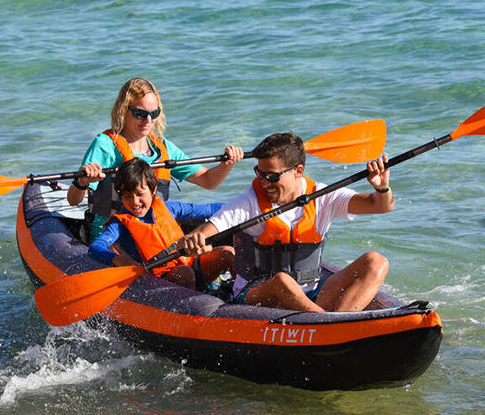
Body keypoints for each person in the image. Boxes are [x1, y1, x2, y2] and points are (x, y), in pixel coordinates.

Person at [179, 131, 393, 313]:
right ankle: (324, 323)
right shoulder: (249, 202)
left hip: (310, 295)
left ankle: (341, 324)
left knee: (376, 261)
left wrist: (381, 187)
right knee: (283, 281)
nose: (264, 183)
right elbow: (204, 232)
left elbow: (380, 206)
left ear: (298, 171)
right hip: (255, 296)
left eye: (271, 176)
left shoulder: (323, 197)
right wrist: (193, 241)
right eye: (259, 174)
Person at [67, 77, 243, 238]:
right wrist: (82, 182)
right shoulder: (105, 145)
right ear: (123, 110)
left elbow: (209, 181)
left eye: (154, 113)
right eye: (140, 114)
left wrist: (227, 163)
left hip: (151, 234)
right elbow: (73, 200)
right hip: (111, 235)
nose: (149, 120)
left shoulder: (162, 148)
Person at [88, 158, 235, 291]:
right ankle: (195, 313)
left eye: (140, 194)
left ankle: (240, 295)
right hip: (161, 280)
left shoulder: (170, 208)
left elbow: (208, 209)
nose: (134, 202)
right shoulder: (119, 224)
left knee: (228, 253)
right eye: (127, 196)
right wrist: (118, 260)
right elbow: (95, 248)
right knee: (184, 273)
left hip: (193, 264)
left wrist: (240, 207)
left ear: (153, 190)